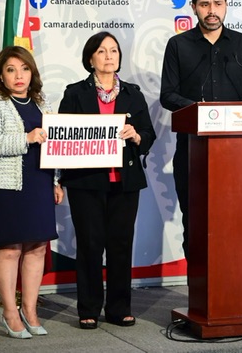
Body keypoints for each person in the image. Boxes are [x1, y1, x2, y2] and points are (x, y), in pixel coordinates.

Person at [160, 0, 242, 259]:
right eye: (205, 4)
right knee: (195, 223)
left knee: (235, 221)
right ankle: (198, 282)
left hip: (237, 153)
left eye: (217, 3)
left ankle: (233, 281)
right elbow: (168, 95)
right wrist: (200, 110)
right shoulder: (178, 45)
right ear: (193, 7)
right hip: (192, 151)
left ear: (226, 5)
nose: (211, 10)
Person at [58, 31, 156, 329]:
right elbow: (62, 138)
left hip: (124, 182)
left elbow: (149, 135)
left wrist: (136, 135)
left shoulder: (133, 94)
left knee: (120, 245)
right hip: (86, 181)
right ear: (90, 59)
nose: (109, 56)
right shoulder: (75, 93)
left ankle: (118, 308)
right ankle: (88, 308)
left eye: (114, 50)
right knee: (90, 245)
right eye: (101, 51)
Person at [0, 45, 63, 339]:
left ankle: (30, 310)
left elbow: (54, 145)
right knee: (10, 249)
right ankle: (10, 312)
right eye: (11, 70)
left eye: (24, 69)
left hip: (40, 183)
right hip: (7, 186)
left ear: (32, 72)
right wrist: (26, 137)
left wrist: (56, 181)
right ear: (1, 75)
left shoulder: (41, 102)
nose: (19, 75)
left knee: (37, 247)